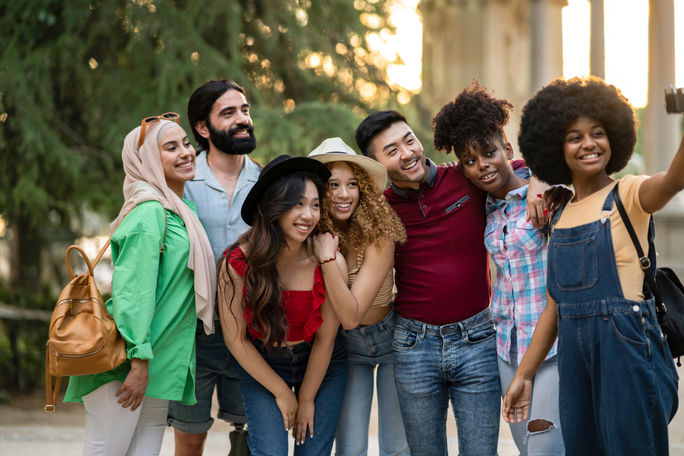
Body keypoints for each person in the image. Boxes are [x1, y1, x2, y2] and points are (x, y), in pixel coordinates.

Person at [502, 76, 681, 456]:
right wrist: (524, 374)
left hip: (626, 348)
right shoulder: (559, 211)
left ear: (613, 136)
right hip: (574, 356)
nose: (589, 143)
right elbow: (555, 306)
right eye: (574, 137)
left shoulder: (629, 193)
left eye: (597, 132)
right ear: (556, 148)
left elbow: (673, 181)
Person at [354, 110, 547, 455]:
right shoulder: (381, 210)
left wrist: (540, 180)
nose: (407, 152)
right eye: (391, 150)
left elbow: (511, 167)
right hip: (414, 346)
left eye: (408, 140)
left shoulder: (464, 178)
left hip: (478, 340)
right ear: (377, 164)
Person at [64, 113, 216, 455]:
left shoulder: (178, 210)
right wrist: (138, 361)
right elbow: (133, 293)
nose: (186, 152)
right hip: (129, 360)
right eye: (170, 147)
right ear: (146, 159)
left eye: (186, 144)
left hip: (158, 359)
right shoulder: (149, 212)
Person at [432, 82, 564, 455]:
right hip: (506, 348)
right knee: (527, 448)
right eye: (470, 161)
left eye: (489, 152)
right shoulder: (483, 206)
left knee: (545, 447)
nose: (482, 166)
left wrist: (541, 175)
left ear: (507, 149)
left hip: (554, 346)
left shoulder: (548, 195)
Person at [218, 155, 348, 456]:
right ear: (274, 206)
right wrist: (280, 391)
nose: (308, 215)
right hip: (263, 361)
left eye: (315, 205)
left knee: (313, 452)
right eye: (298, 204)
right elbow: (235, 340)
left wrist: (306, 399)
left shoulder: (327, 261)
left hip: (321, 364)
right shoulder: (237, 263)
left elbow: (327, 339)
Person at [167, 80, 259, 456]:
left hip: (253, 332)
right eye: (229, 113)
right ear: (203, 128)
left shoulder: (267, 181)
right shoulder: (180, 184)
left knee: (254, 439)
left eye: (245, 110)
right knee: (190, 440)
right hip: (194, 335)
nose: (243, 119)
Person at [307, 138, 409, 456]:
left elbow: (351, 315)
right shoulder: (310, 234)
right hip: (346, 346)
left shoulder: (379, 234)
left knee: (396, 446)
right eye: (333, 184)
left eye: (352, 184)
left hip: (389, 338)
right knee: (350, 447)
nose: (343, 194)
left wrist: (327, 260)